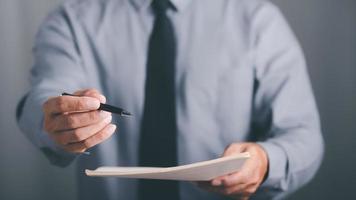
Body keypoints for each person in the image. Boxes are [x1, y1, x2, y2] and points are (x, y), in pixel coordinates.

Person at [16, 0, 324, 199]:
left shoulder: (257, 20)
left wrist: (265, 163)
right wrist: (54, 118)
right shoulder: (72, 18)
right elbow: (47, 94)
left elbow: (303, 136)